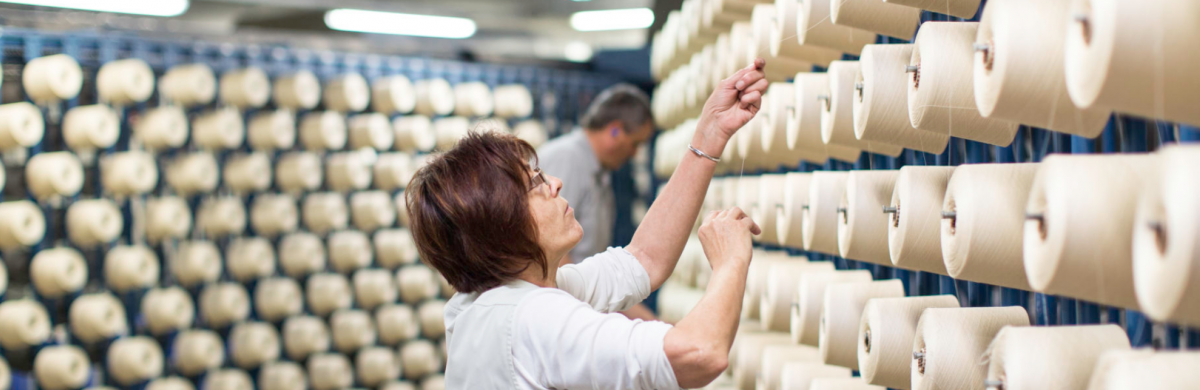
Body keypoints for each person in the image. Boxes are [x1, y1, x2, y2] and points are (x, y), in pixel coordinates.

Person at [406, 59, 769, 389]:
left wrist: (710, 133)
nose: (555, 184)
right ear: (501, 222)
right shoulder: (532, 318)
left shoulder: (499, 299)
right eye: (535, 184)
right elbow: (699, 354)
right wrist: (731, 262)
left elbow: (644, 258)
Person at [537, 83, 657, 321]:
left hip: (578, 302)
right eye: (635, 143)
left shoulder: (598, 172)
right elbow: (550, 250)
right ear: (614, 131)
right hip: (562, 309)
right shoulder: (568, 159)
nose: (634, 153)